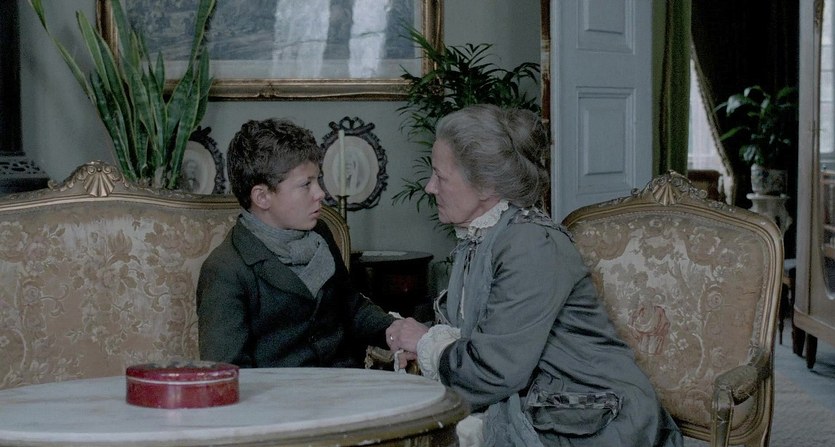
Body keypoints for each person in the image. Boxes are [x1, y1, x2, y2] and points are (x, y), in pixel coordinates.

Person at [386, 104, 683, 446]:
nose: (429, 187)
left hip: (597, 420)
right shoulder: (483, 236)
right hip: (546, 406)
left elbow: (494, 371)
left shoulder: (530, 244)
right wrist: (427, 341)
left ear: (485, 185)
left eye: (441, 177)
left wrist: (427, 343)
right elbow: (492, 340)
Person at [197, 118, 396, 368]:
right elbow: (228, 371)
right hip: (280, 393)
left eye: (317, 180)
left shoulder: (320, 232)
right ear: (262, 197)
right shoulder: (225, 269)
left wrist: (394, 330)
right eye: (306, 184)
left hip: (346, 383)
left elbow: (350, 307)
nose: (320, 193)